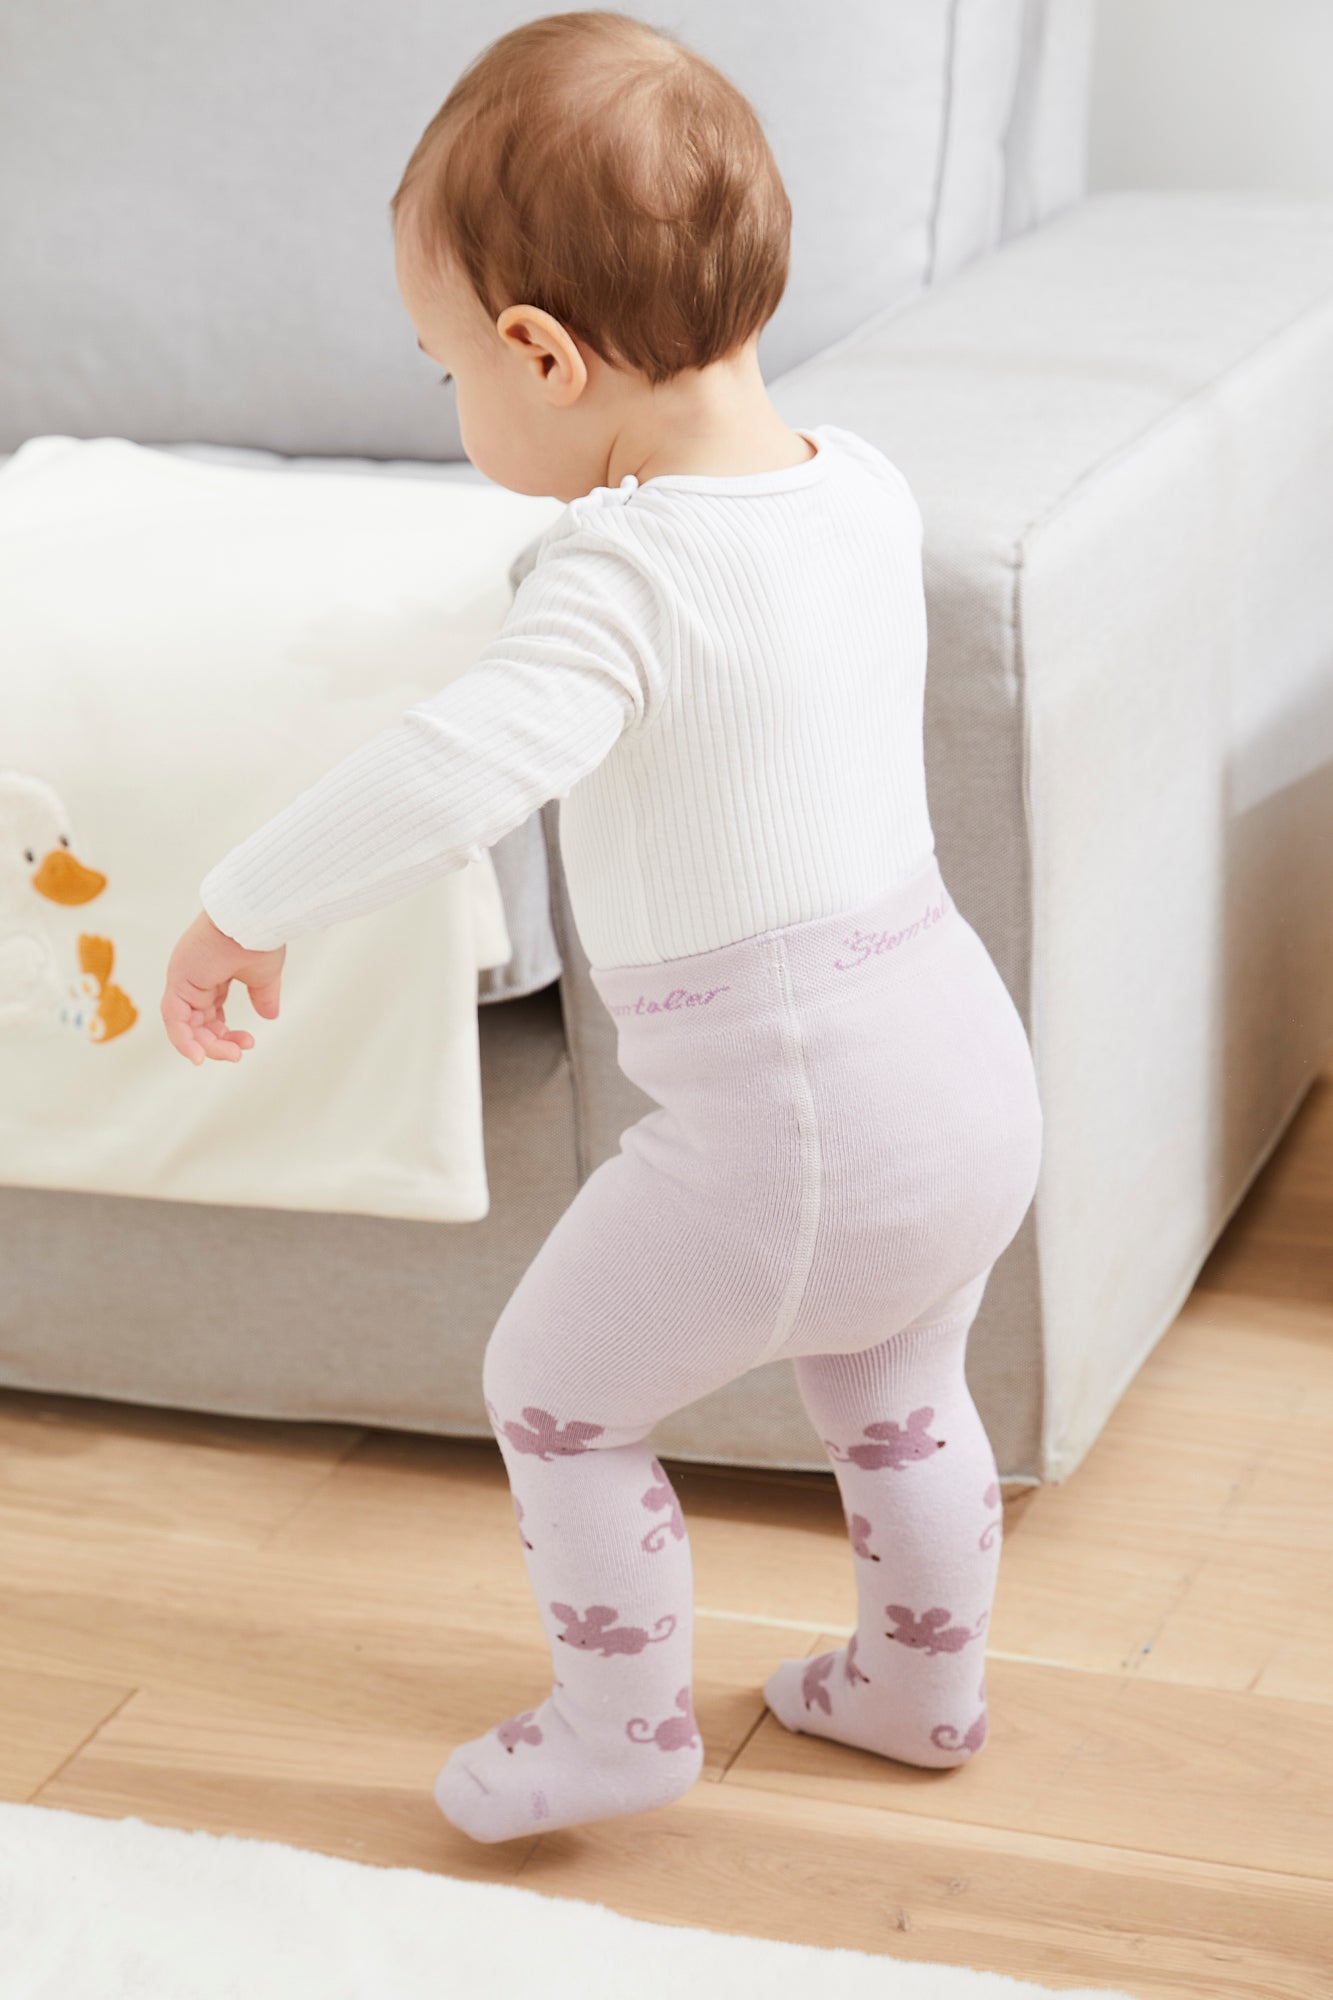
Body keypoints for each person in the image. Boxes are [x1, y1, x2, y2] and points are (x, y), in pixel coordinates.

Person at [160, 9, 1044, 1845]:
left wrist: (247, 904)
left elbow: (460, 763)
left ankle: (617, 1726)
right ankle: (918, 1688)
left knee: (555, 1399)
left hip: (788, 1116)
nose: (452, 404)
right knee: (897, 1393)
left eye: (442, 372)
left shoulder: (623, 575)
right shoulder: (858, 484)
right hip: (959, 1063)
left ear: (538, 353)